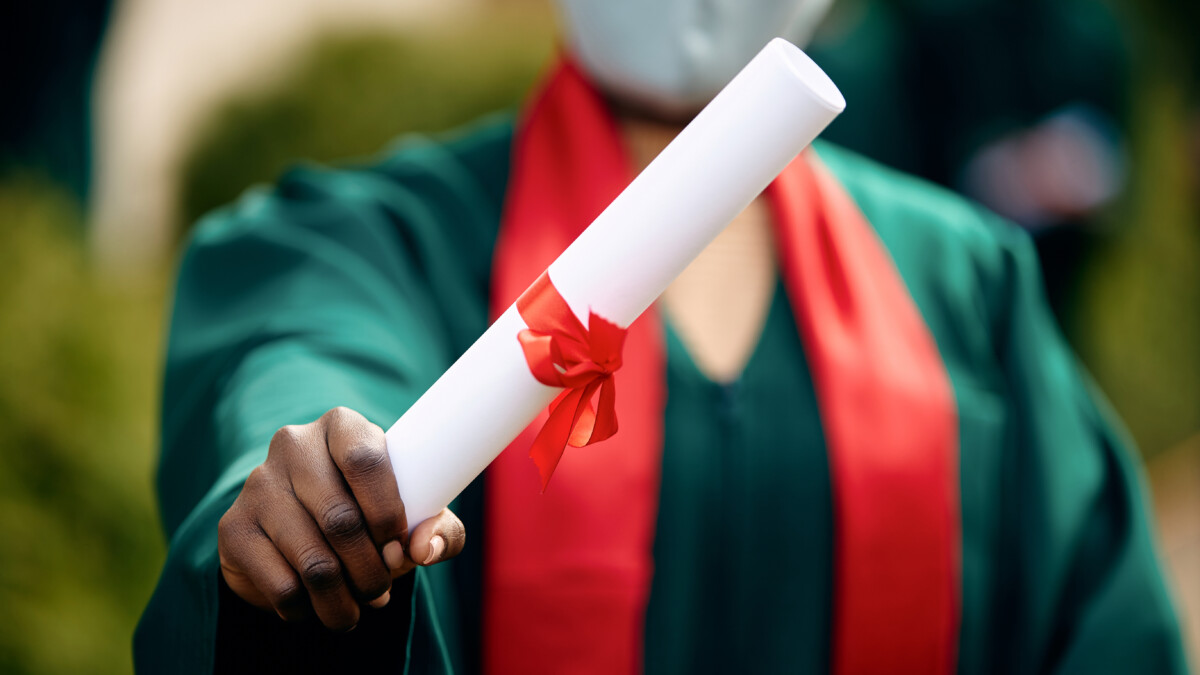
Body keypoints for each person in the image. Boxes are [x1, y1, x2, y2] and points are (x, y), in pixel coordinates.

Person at [135, 0, 1189, 672]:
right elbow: (302, 374)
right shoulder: (365, 243)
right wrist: (306, 496)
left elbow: (1101, 629)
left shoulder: (962, 282)